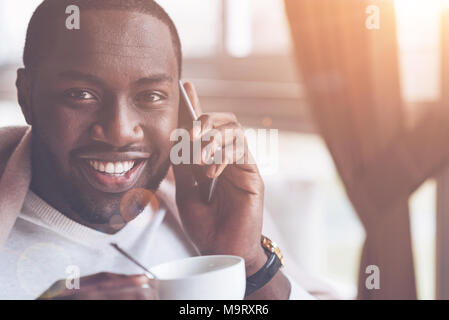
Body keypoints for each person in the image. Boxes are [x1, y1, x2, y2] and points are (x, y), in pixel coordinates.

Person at [0, 0, 335, 300]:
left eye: (151, 96)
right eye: (81, 95)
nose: (119, 132)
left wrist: (248, 264)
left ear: (183, 105)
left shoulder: (210, 209)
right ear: (26, 96)